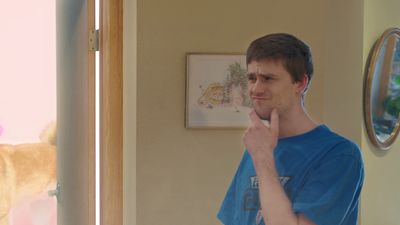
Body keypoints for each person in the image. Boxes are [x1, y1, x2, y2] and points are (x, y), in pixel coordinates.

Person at [217, 33, 364, 225]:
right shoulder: (258, 147)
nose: (255, 89)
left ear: (301, 83)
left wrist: (263, 159)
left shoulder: (340, 154)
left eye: (268, 78)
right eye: (252, 78)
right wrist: (261, 154)